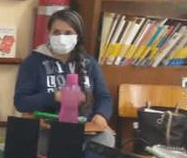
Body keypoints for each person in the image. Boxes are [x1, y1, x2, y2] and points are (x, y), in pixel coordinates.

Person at [14, 8, 114, 146]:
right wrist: (55, 97)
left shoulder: (89, 63)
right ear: (49, 34)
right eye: (56, 32)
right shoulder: (33, 62)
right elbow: (21, 102)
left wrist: (101, 116)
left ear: (77, 36)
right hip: (47, 130)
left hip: (84, 129)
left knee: (106, 139)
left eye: (68, 33)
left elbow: (104, 97)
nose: (62, 37)